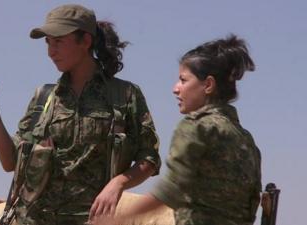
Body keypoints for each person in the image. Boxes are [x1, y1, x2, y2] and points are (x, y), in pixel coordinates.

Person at [0, 4, 161, 225]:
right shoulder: (44, 98)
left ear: (85, 41)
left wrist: (118, 184)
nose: (51, 51)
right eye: (48, 42)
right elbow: (10, 162)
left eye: (58, 41)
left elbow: (149, 159)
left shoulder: (125, 94)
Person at [94, 34, 262, 225]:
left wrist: (118, 220)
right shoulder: (245, 139)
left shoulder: (198, 127)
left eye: (183, 80)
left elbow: (170, 191)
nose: (176, 88)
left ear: (208, 85)